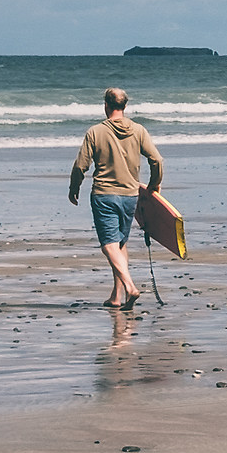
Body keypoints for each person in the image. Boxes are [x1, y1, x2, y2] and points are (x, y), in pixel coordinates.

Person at [67, 87, 164, 308]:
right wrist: (154, 184)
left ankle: (129, 287)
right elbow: (157, 159)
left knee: (108, 244)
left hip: (104, 194)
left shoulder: (95, 132)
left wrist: (74, 188)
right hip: (131, 195)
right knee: (120, 243)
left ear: (106, 106)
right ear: (125, 106)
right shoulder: (139, 130)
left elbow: (81, 165)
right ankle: (116, 297)